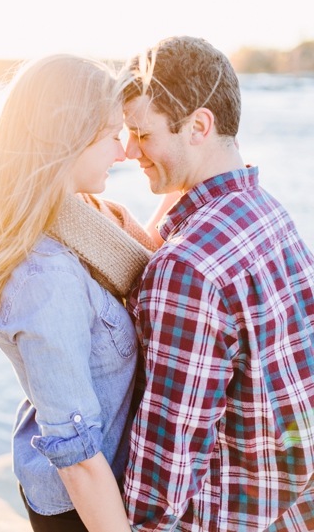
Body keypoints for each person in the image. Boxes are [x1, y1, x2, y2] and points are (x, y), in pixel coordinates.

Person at [0, 55, 171, 531]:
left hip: (102, 481)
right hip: (83, 504)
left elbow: (145, 262)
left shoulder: (82, 216)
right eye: (113, 136)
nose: (123, 153)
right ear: (66, 140)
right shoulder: (44, 277)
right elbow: (77, 458)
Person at [121, 36, 314, 531]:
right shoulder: (269, 214)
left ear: (199, 126)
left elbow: (166, 466)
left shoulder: (186, 267)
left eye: (143, 134)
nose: (128, 151)